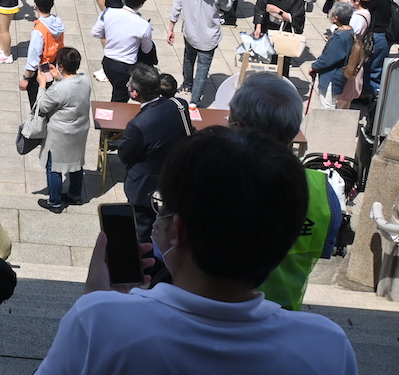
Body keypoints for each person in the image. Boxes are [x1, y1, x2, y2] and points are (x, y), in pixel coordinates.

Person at [37, 128, 356, 375]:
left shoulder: (99, 323)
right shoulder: (325, 347)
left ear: (178, 230)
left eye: (162, 207)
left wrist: (94, 299)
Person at [228, 72, 343, 311]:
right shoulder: (324, 191)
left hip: (214, 319)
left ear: (239, 127)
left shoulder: (213, 178)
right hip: (283, 318)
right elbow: (321, 252)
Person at [117, 64, 194, 243]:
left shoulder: (138, 125)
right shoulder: (179, 104)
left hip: (145, 187)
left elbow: (124, 155)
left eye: (130, 85)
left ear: (135, 93)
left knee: (144, 234)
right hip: (173, 180)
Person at [34, 46, 90, 213]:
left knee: (54, 167)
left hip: (59, 134)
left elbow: (42, 107)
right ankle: (74, 195)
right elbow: (70, 91)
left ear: (61, 66)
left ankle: (55, 202)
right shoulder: (85, 80)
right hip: (79, 130)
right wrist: (59, 78)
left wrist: (42, 85)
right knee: (76, 162)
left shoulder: (58, 89)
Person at [167, 0, 224, 106]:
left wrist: (171, 28)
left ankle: (187, 85)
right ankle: (194, 102)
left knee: (188, 58)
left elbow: (176, 8)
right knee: (202, 70)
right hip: (209, 37)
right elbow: (227, 6)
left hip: (189, 32)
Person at [91, 0, 154, 103]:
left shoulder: (108, 13)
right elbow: (147, 49)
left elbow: (95, 32)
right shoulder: (143, 25)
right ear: (142, 3)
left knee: (118, 92)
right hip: (125, 67)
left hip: (108, 63)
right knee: (119, 100)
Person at [21, 0, 66, 110]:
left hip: (40, 72)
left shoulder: (39, 31)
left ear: (35, 5)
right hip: (53, 67)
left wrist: (26, 78)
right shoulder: (58, 22)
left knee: (37, 105)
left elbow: (33, 58)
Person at [310, 2, 356, 111]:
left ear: (336, 18)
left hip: (332, 77)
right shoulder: (347, 31)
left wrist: (314, 66)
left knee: (326, 107)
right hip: (335, 76)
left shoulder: (341, 37)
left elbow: (328, 59)